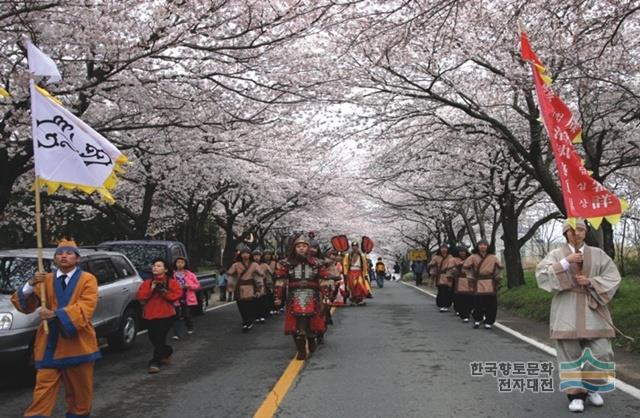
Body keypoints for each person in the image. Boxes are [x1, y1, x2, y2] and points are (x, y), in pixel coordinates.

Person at [535, 219, 621, 413]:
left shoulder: (598, 254)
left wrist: (590, 281)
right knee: (568, 355)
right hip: (566, 308)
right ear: (565, 233)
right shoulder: (556, 254)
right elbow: (541, 275)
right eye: (572, 230)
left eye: (580, 229)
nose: (576, 233)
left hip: (593, 309)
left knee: (603, 352)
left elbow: (613, 277)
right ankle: (575, 395)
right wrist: (566, 263)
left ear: (585, 232)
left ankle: (591, 387)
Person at [11, 239, 102, 417]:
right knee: (42, 390)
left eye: (69, 253)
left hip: (78, 342)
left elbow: (86, 307)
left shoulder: (87, 279)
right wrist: (30, 284)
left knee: (80, 393)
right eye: (59, 253)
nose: (64, 256)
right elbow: (25, 306)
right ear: (54, 259)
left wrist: (56, 314)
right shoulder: (46, 280)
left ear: (77, 258)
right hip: (49, 343)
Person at [274, 234, 331, 360]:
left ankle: (311, 340)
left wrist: (326, 296)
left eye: (304, 246)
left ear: (308, 248)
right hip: (293, 296)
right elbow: (280, 281)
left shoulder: (317, 263)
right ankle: (301, 350)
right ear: (294, 248)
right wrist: (277, 296)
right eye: (298, 246)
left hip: (313, 296)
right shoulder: (286, 263)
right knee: (296, 325)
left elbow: (323, 281)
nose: (301, 248)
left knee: (312, 324)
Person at [136, 258, 183, 373]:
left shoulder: (171, 282)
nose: (155, 268)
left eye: (158, 266)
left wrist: (164, 291)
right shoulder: (147, 283)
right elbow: (141, 297)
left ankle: (155, 362)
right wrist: (151, 289)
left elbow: (176, 295)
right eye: (154, 266)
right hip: (150, 314)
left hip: (166, 314)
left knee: (160, 337)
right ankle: (167, 351)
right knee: (154, 338)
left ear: (165, 269)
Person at [462, 239, 502, 329]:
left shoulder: (493, 257)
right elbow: (466, 268)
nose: (483, 246)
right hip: (478, 282)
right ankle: (477, 319)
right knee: (478, 302)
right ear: (477, 246)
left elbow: (498, 269)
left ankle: (489, 321)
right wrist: (470, 277)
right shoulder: (473, 257)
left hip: (490, 282)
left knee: (491, 303)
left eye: (485, 244)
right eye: (481, 245)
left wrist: (498, 279)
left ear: (488, 246)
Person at [226, 245, 264, 332]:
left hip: (251, 287)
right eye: (243, 253)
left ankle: (248, 322)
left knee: (249, 306)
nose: (245, 255)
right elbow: (231, 276)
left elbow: (258, 277)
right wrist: (230, 287)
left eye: (247, 253)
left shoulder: (254, 265)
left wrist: (259, 289)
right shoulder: (236, 265)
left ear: (250, 254)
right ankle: (245, 321)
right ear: (240, 254)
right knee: (241, 306)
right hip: (240, 288)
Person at [171, 257, 200, 339]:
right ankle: (176, 333)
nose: (180, 264)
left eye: (182, 262)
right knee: (175, 315)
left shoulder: (190, 274)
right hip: (175, 297)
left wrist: (189, 286)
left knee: (186, 314)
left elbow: (197, 285)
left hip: (186, 297)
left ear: (185, 264)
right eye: (178, 262)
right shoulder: (172, 275)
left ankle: (190, 326)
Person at [428, 245, 457, 312]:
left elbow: (454, 266)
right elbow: (431, 265)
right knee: (441, 291)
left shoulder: (451, 257)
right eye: (442, 248)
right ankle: (441, 304)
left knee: (447, 291)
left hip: (448, 275)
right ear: (440, 249)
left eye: (445, 248)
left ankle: (446, 305)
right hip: (440, 276)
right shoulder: (436, 257)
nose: (444, 250)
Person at [342, 241, 370, 306]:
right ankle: (353, 299)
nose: (355, 248)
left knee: (359, 285)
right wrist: (345, 273)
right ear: (352, 247)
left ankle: (359, 299)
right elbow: (345, 264)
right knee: (352, 286)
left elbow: (365, 265)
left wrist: (365, 273)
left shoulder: (362, 255)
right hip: (351, 272)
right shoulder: (348, 255)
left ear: (358, 247)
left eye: (356, 246)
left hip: (359, 272)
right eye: (353, 246)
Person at [452, 245, 473, 322]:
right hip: (459, 280)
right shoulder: (454, 259)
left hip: (470, 280)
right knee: (461, 297)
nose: (462, 253)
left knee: (470, 297)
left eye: (464, 251)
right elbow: (451, 269)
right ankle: (463, 314)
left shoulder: (471, 258)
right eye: (461, 251)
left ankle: (469, 310)